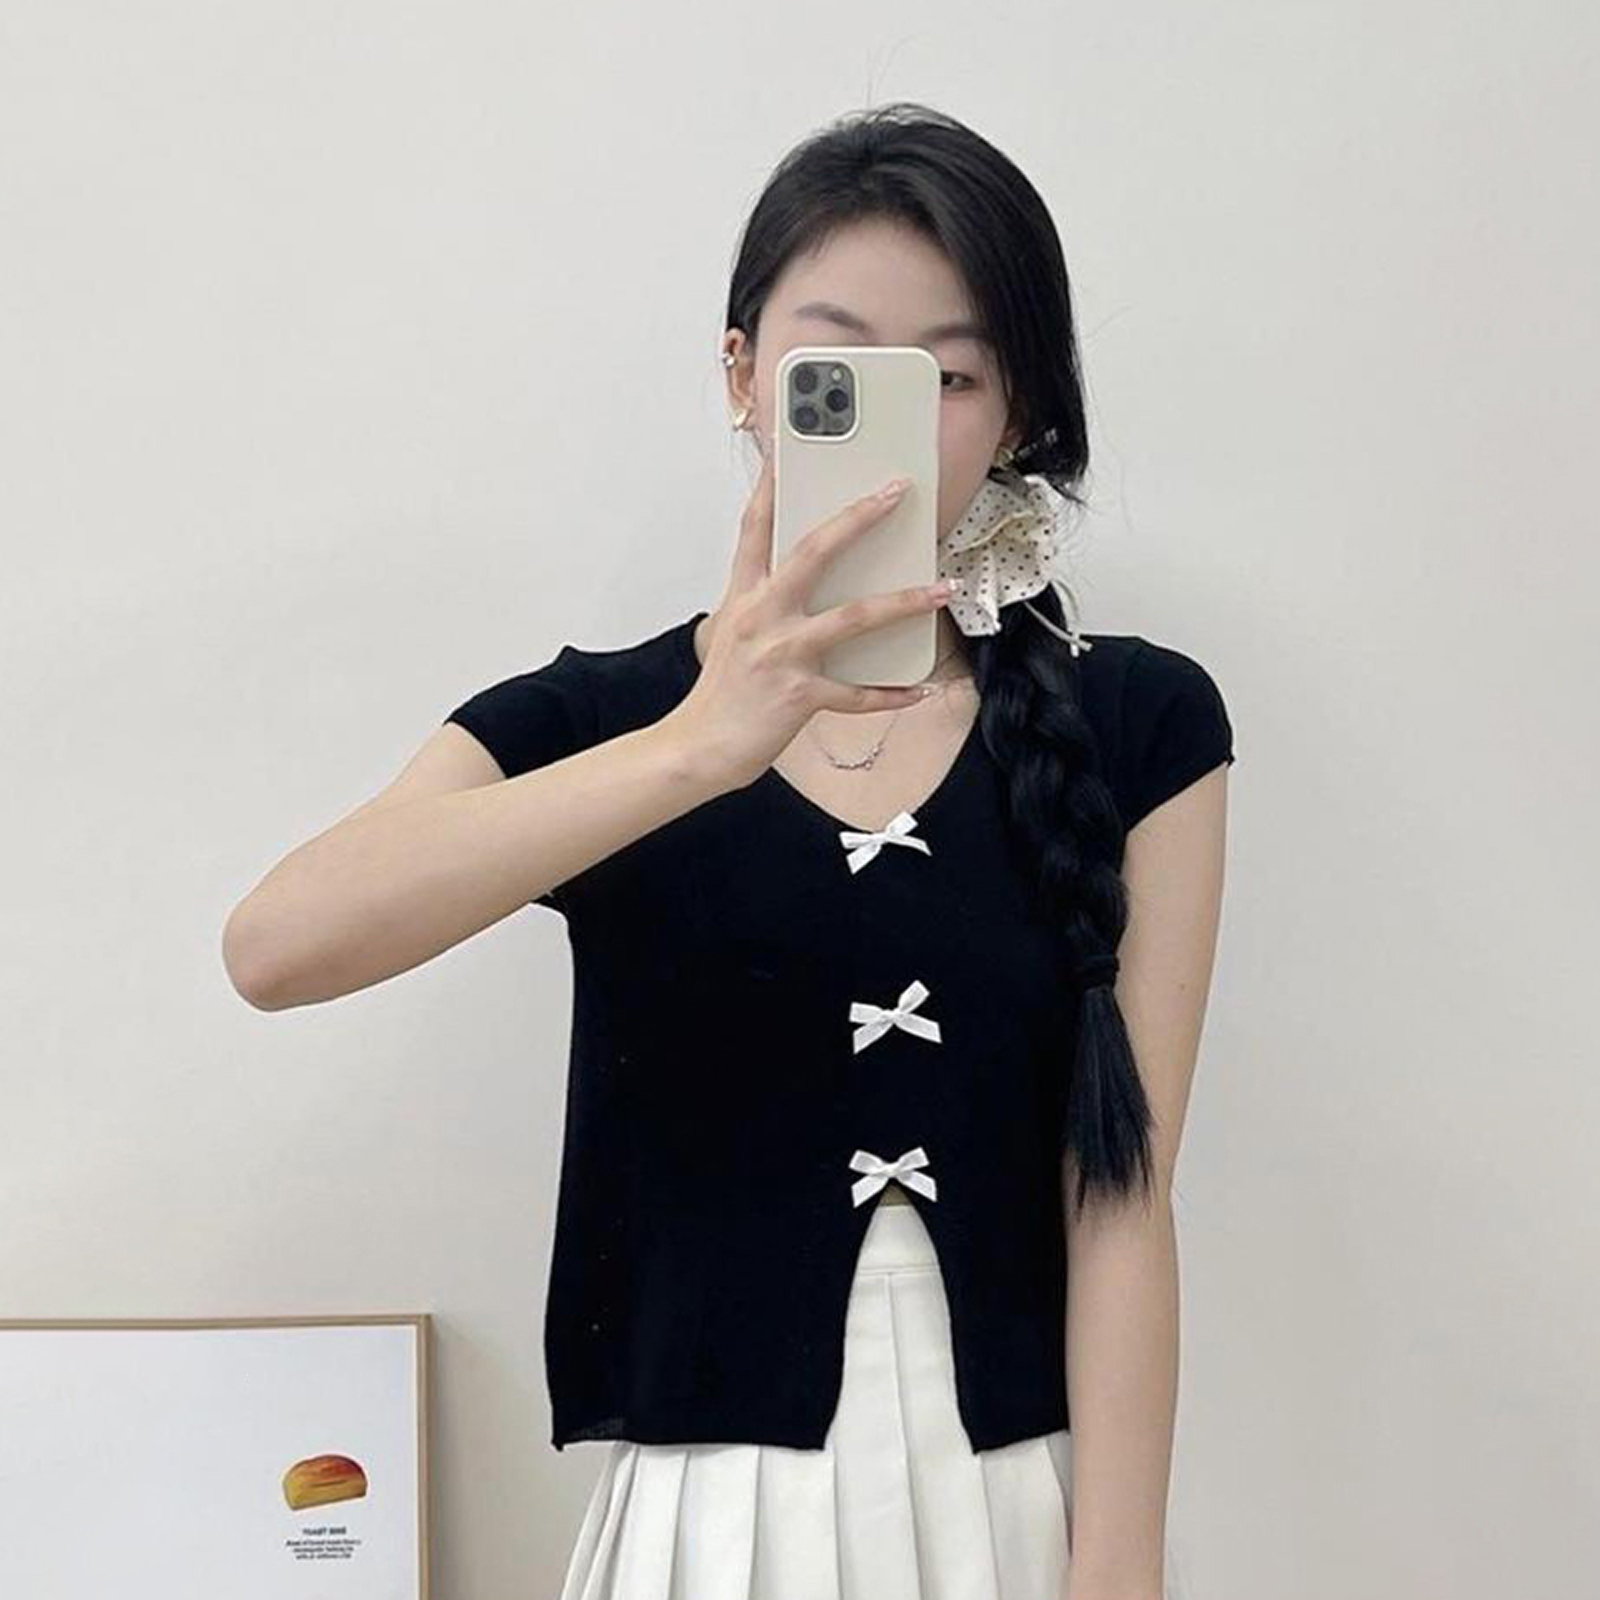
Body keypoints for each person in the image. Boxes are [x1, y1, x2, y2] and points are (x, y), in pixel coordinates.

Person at [224, 101, 1233, 1600]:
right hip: (709, 1530)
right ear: (744, 375)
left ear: (1017, 413)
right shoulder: (603, 720)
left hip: (1020, 1507)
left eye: (953, 376)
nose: (902, 423)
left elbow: (1125, 1194)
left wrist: (1120, 1572)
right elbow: (278, 947)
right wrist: (701, 745)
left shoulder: (1139, 722)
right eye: (841, 370)